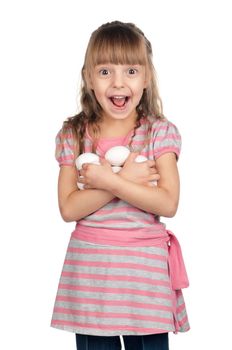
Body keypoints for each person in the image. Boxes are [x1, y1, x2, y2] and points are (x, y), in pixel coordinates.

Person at [51, 21, 190, 350]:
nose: (118, 82)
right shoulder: (74, 134)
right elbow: (69, 208)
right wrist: (119, 181)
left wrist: (108, 179)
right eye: (105, 72)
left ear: (146, 77)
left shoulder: (159, 132)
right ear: (89, 77)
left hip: (144, 276)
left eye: (130, 70)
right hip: (91, 274)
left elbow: (168, 202)